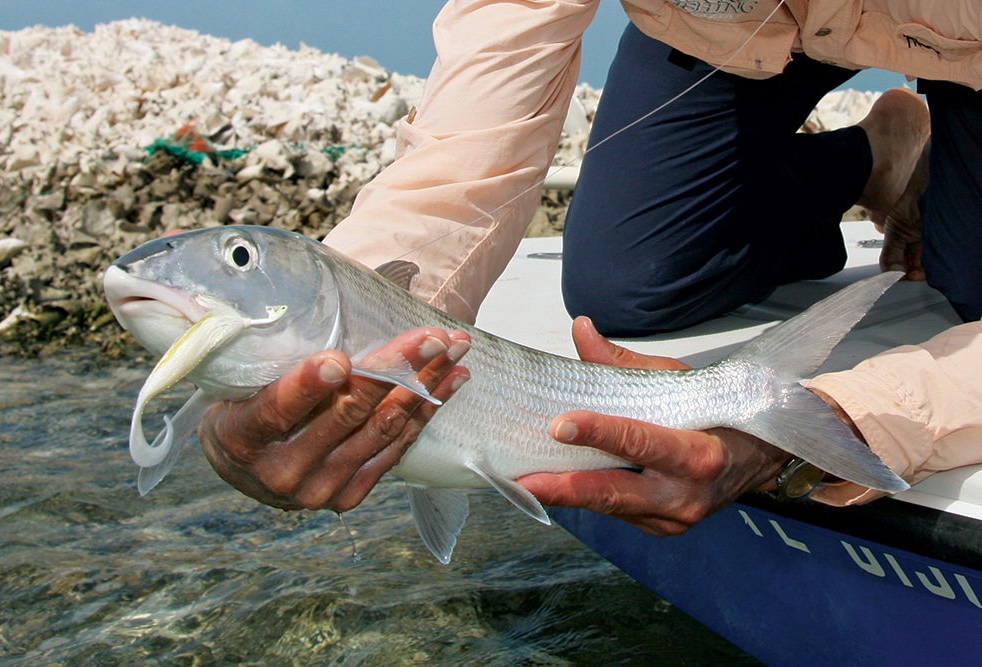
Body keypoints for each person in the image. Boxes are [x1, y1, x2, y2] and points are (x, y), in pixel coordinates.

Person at [198, 1, 982, 536]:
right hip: (734, 36)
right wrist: (343, 326)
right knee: (630, 278)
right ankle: (876, 155)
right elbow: (468, 139)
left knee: (967, 283)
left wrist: (841, 415)